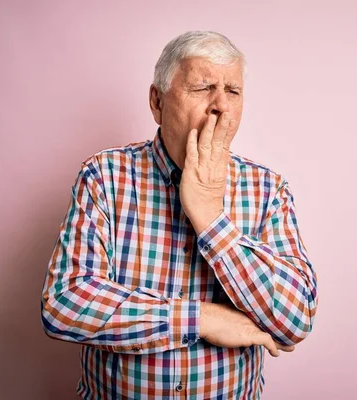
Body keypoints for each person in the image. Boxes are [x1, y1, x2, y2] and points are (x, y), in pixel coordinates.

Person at [41, 30, 318, 399]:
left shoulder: (268, 189)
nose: (221, 104)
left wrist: (209, 217)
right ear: (157, 102)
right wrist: (200, 318)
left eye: (232, 91)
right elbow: (65, 302)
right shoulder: (104, 176)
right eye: (203, 88)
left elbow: (295, 319)